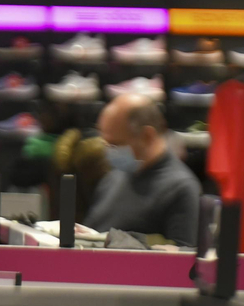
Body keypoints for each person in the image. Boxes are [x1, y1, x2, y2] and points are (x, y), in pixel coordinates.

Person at [86, 92, 201, 246]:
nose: (109, 152)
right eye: (106, 144)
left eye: (115, 144)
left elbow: (182, 262)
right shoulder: (113, 178)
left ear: (147, 136)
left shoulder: (181, 189)